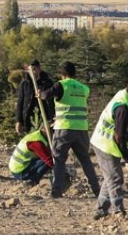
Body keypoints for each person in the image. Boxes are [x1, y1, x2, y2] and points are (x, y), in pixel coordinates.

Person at [90, 74, 128, 219]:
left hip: (109, 144)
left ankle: (100, 210)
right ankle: (118, 211)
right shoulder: (123, 106)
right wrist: (127, 159)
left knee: (110, 177)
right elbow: (119, 137)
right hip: (105, 144)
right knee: (115, 178)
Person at [41, 62, 101, 198]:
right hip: (81, 129)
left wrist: (40, 93)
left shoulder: (61, 85)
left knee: (59, 160)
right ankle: (97, 190)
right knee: (85, 160)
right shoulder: (84, 88)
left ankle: (56, 191)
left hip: (64, 128)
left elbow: (46, 96)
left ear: (62, 74)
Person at [14, 60, 54, 135]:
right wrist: (18, 121)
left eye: (35, 69)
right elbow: (20, 103)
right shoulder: (25, 84)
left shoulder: (47, 83)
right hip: (29, 120)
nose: (33, 72)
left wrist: (53, 118)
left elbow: (53, 102)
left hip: (44, 120)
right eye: (31, 70)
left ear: (39, 69)